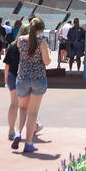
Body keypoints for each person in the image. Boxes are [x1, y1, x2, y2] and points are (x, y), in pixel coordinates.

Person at [11, 17, 51, 153]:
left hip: (22, 77)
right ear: (41, 29)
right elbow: (46, 61)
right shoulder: (42, 42)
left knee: (22, 108)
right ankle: (28, 143)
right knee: (33, 112)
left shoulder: (21, 40)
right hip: (38, 78)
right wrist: (48, 54)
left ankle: (18, 132)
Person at [3, 30, 22, 139]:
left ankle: (11, 130)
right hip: (24, 77)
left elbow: (7, 65)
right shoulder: (29, 48)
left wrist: (5, 79)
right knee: (25, 106)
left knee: (14, 104)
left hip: (12, 76)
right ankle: (26, 128)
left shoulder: (12, 47)